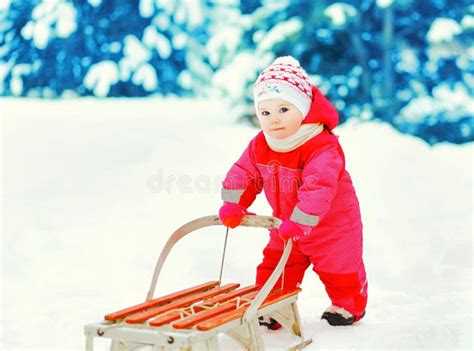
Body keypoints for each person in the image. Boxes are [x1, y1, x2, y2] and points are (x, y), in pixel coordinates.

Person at [218, 56, 368, 327]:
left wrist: (301, 221)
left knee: (340, 269)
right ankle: (273, 307)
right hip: (285, 225)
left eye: (284, 110)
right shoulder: (262, 144)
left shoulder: (320, 145)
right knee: (275, 268)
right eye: (265, 113)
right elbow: (244, 172)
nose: (274, 120)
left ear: (304, 107)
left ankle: (347, 306)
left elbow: (318, 187)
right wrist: (233, 203)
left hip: (332, 227)